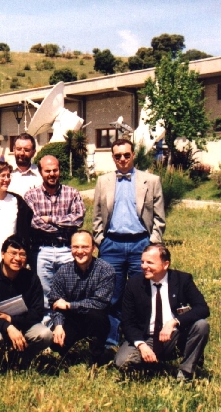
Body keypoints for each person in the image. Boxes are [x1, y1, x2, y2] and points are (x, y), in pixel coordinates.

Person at [93, 138, 166, 348]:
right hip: (111, 246)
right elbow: (97, 216)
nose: (123, 159)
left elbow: (160, 219)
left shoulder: (151, 181)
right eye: (118, 156)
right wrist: (101, 241)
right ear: (113, 158)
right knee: (112, 294)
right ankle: (111, 340)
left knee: (140, 293)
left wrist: (152, 244)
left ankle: (139, 338)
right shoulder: (103, 181)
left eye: (126, 155)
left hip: (140, 245)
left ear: (133, 155)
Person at [115, 244, 209, 380]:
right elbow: (127, 322)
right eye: (142, 262)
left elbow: (202, 308)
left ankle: (186, 372)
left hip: (174, 336)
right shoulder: (134, 284)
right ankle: (149, 366)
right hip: (147, 337)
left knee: (201, 325)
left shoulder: (183, 280)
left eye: (150, 262)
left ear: (165, 264)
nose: (144, 266)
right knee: (122, 362)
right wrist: (141, 345)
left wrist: (174, 322)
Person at [24, 155, 85, 312]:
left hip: (66, 249)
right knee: (45, 293)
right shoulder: (31, 196)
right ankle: (48, 328)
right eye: (47, 171)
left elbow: (78, 219)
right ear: (40, 172)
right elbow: (33, 223)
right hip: (42, 250)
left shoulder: (72, 193)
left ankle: (68, 327)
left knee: (70, 289)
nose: (52, 174)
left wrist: (50, 220)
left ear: (59, 170)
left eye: (55, 170)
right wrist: (64, 226)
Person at [0, 236, 52, 357]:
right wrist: (7, 326)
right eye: (13, 253)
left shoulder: (31, 279)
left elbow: (37, 311)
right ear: (3, 254)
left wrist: (12, 320)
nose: (17, 258)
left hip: (23, 324)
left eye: (22, 254)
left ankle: (23, 358)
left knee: (45, 334)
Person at [49, 230, 115, 364]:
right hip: (72, 319)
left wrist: (69, 305)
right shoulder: (63, 272)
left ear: (93, 248)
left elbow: (100, 303)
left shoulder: (106, 270)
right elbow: (55, 302)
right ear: (70, 248)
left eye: (85, 247)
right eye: (75, 247)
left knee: (96, 317)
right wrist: (58, 325)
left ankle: (97, 358)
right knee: (54, 341)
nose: (80, 251)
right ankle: (68, 356)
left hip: (95, 319)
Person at [8, 133, 42, 198]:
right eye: (18, 149)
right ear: (14, 150)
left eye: (26, 150)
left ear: (33, 152)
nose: (22, 153)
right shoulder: (5, 172)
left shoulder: (40, 174)